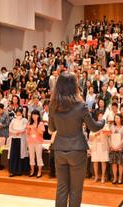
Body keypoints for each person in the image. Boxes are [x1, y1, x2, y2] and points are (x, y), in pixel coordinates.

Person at [48, 72, 105, 207]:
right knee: (75, 190)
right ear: (74, 86)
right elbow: (94, 127)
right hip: (77, 150)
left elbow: (52, 128)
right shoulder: (81, 105)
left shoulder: (52, 105)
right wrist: (103, 120)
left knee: (61, 189)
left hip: (60, 150)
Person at [8, 108, 29, 177]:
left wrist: (15, 130)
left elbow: (23, 129)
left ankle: (20, 171)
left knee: (20, 155)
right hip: (14, 138)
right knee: (14, 155)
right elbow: (10, 129)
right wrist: (16, 132)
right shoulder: (13, 120)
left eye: (19, 113)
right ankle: (13, 171)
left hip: (21, 139)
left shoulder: (24, 120)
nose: (18, 114)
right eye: (17, 113)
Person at [89, 112, 110, 183]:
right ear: (97, 117)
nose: (100, 117)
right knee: (95, 161)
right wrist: (96, 133)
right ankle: (96, 176)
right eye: (99, 116)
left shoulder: (106, 125)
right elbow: (90, 134)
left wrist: (106, 133)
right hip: (96, 145)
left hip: (103, 145)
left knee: (103, 161)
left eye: (102, 116)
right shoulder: (94, 125)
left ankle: (103, 176)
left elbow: (108, 133)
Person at [109, 113, 123, 185]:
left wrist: (118, 147)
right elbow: (109, 137)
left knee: (120, 164)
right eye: (115, 118)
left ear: (121, 119)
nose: (116, 120)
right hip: (113, 148)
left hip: (120, 149)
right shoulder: (111, 127)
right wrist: (111, 146)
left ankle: (120, 178)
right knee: (114, 164)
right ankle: (115, 177)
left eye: (118, 118)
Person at [27, 110, 45, 178]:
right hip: (31, 142)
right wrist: (28, 129)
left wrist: (36, 129)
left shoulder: (40, 123)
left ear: (38, 116)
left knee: (39, 157)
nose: (34, 116)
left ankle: (39, 172)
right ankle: (32, 171)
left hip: (38, 142)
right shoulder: (30, 123)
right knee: (31, 157)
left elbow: (41, 134)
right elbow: (28, 133)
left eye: (35, 115)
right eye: (33, 115)